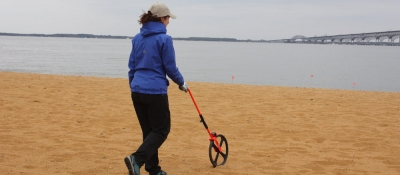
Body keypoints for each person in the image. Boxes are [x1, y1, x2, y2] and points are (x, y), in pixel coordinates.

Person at [124, 2, 188, 175]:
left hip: (137, 90)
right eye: (168, 19)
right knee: (161, 130)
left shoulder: (137, 38)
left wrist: (134, 84)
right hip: (154, 91)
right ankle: (136, 159)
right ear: (161, 18)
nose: (169, 22)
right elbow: (170, 67)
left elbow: (132, 67)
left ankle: (153, 169)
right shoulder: (164, 39)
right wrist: (181, 83)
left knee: (149, 131)